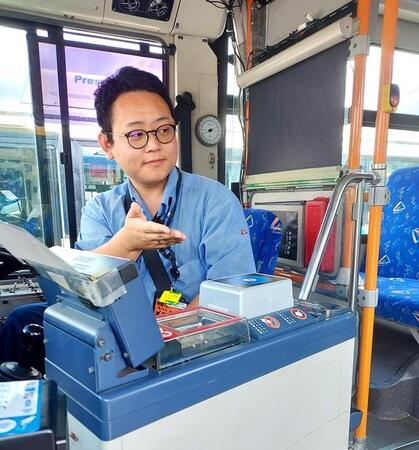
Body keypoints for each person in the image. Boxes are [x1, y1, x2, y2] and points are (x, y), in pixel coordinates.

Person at [75, 66, 255, 307]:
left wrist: (176, 334)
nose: (154, 145)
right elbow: (85, 294)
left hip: (200, 337)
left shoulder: (215, 202)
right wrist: (126, 245)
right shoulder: (100, 211)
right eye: (136, 134)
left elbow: (232, 288)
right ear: (107, 144)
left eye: (164, 129)